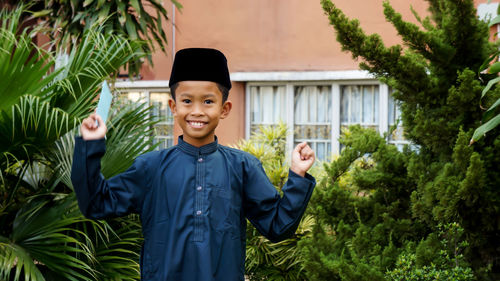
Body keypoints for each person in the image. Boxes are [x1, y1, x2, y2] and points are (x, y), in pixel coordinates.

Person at [71, 48, 316, 281]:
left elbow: (278, 226)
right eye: (187, 101)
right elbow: (96, 203)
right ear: (173, 107)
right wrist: (89, 146)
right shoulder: (151, 168)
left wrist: (297, 175)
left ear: (224, 108)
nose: (197, 111)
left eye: (208, 102)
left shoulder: (243, 167)